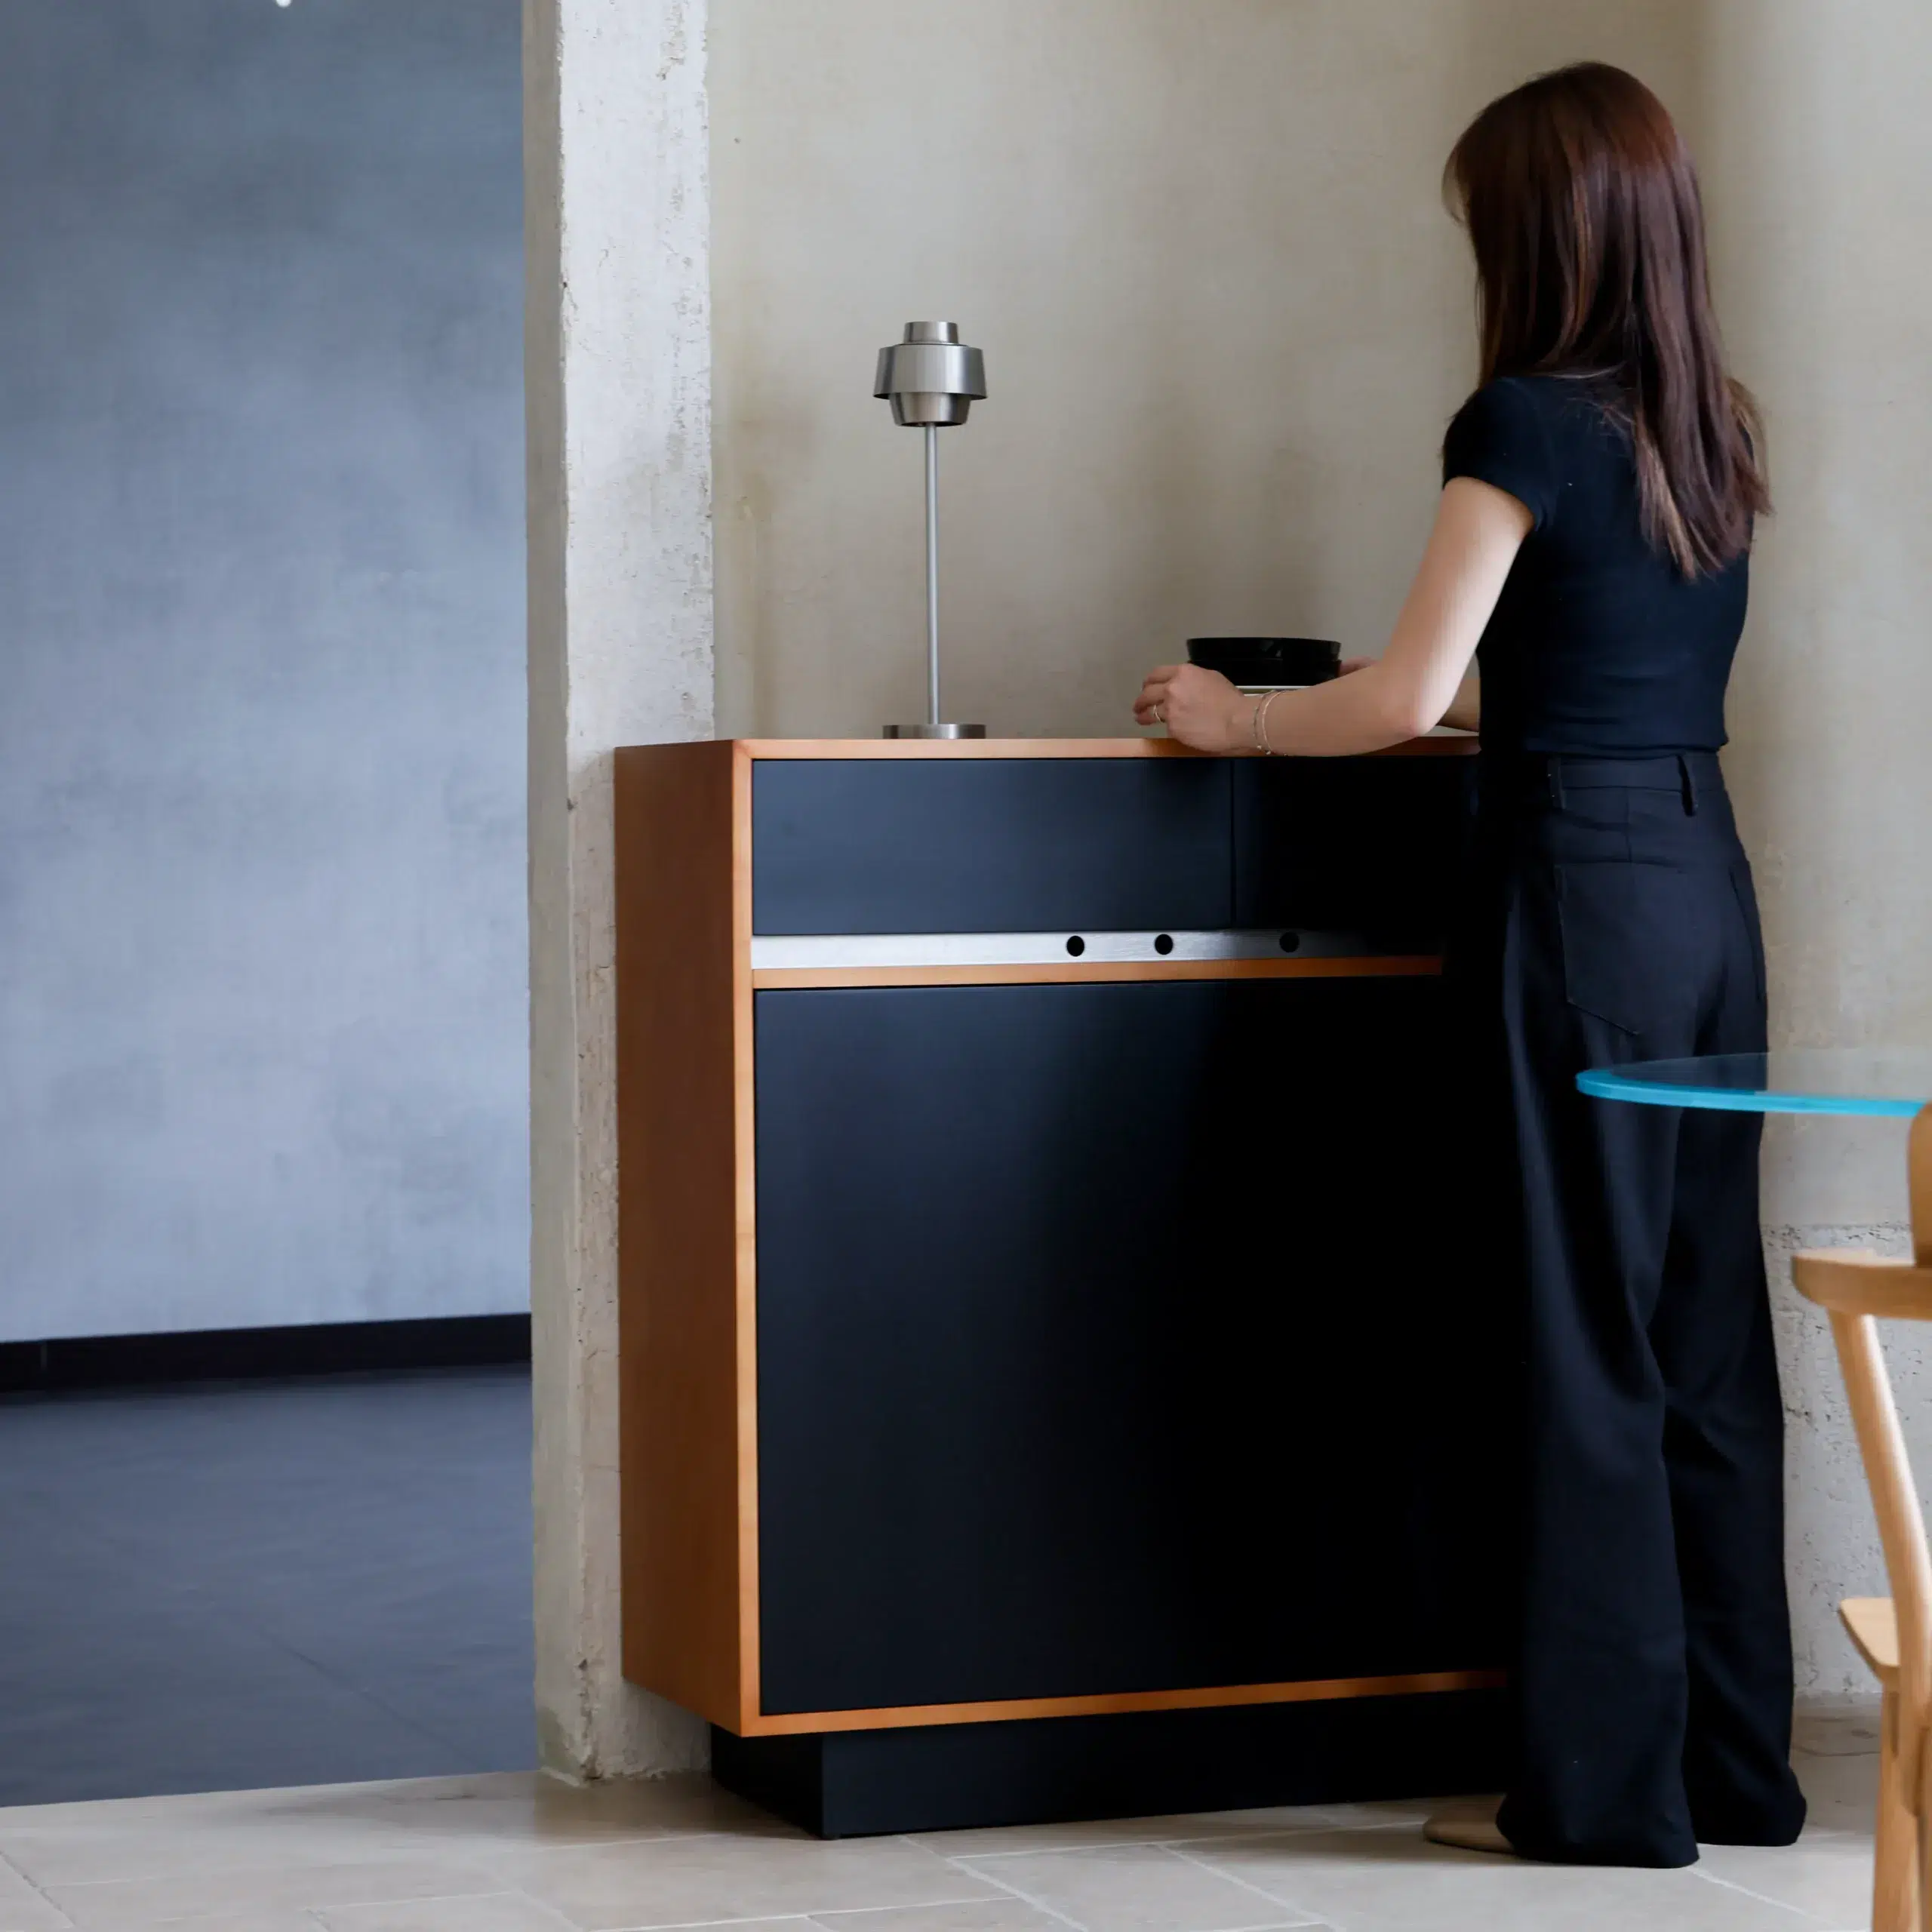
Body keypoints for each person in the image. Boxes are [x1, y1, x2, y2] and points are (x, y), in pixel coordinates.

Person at [1134, 62, 1807, 1869]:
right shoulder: (1710, 426)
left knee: (1575, 1342)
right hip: (1703, 887)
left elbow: (1405, 694)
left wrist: (1229, 713)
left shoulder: (1517, 418)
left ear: (1536, 232)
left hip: (1574, 888)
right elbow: (1583, 670)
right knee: (1698, 1342)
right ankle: (1732, 1773)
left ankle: (1596, 1799)